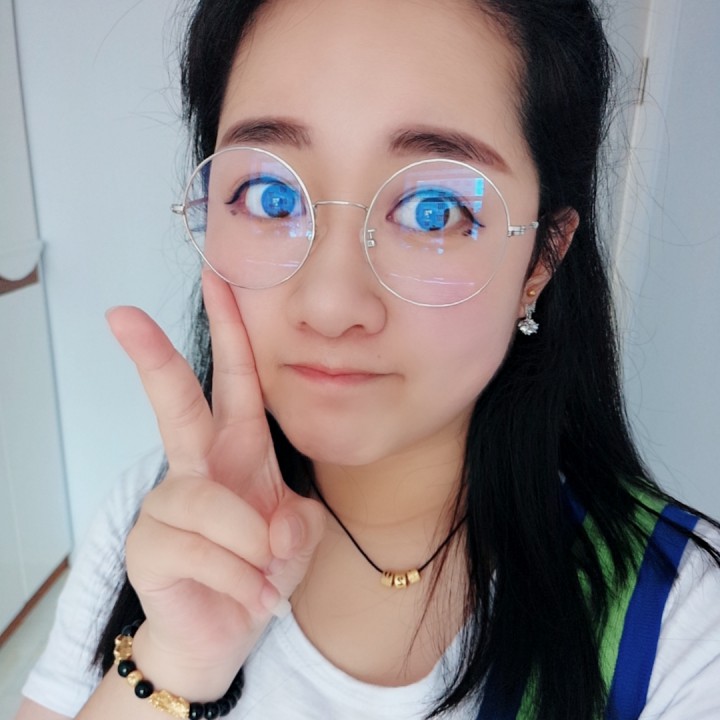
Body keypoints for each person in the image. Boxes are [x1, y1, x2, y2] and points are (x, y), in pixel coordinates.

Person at [15, 0, 720, 718]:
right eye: (270, 195)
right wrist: (174, 662)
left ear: (541, 259)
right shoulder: (159, 521)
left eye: (434, 210)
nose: (329, 304)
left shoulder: (683, 627)